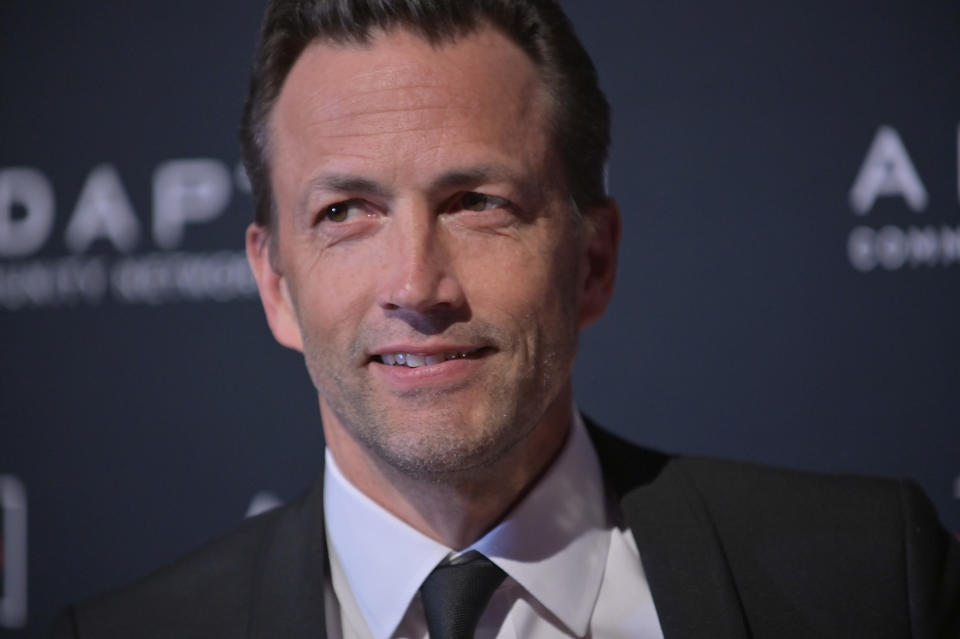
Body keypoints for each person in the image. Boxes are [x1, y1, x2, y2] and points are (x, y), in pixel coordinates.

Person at [53, 1, 959, 637]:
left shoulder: (871, 577)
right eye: (345, 212)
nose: (417, 283)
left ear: (592, 260)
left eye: (478, 201)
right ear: (276, 286)